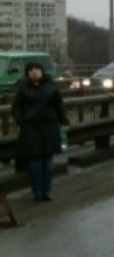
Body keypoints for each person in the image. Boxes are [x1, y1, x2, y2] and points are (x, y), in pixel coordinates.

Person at [12, 62, 70, 202]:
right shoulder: (23, 88)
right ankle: (37, 191)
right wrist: (20, 120)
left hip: (49, 127)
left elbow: (59, 104)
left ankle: (46, 191)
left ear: (42, 71)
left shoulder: (51, 86)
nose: (34, 72)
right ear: (27, 73)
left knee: (48, 162)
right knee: (35, 162)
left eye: (37, 69)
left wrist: (63, 119)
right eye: (31, 70)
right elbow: (16, 106)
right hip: (31, 128)